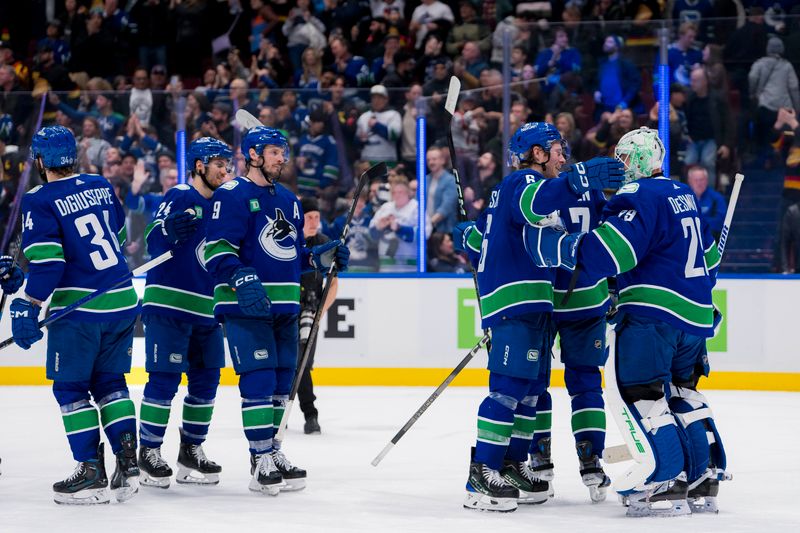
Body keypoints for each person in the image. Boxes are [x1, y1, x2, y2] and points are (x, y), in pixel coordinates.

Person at [527, 127, 728, 517]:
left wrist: (562, 247)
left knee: (642, 393)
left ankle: (663, 475)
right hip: (694, 317)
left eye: (622, 158)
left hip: (654, 315)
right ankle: (703, 473)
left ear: (636, 160)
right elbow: (708, 260)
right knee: (680, 393)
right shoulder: (680, 192)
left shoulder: (638, 195)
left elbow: (611, 253)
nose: (618, 167)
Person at [453, 122, 623, 512]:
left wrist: (467, 236)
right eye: (555, 149)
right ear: (536, 153)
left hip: (535, 302)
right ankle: (482, 474)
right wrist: (579, 180)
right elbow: (535, 204)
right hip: (515, 301)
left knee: (531, 390)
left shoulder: (514, 188)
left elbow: (485, 238)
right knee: (508, 388)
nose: (563, 155)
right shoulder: (521, 183)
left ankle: (511, 465)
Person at [203, 126, 350, 495]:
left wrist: (319, 256)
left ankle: (274, 449)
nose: (282, 158)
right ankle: (259, 458)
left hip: (284, 303)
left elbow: (290, 255)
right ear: (253, 154)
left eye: (283, 152)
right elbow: (214, 249)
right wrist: (239, 276)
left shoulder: (289, 199)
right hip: (246, 304)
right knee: (259, 379)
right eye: (274, 151)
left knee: (283, 382)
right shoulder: (232, 194)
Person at [12, 126, 140, 504]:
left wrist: (30, 303)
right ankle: (128, 464)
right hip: (121, 299)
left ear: (39, 161)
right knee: (111, 383)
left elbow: (49, 264)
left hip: (80, 308)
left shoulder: (40, 199)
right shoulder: (100, 184)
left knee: (70, 388)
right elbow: (116, 234)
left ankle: (90, 471)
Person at [136, 137, 232, 489]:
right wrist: (166, 230)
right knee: (164, 380)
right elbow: (151, 238)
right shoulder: (180, 195)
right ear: (198, 166)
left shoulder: (225, 205)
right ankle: (148, 450)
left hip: (207, 308)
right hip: (169, 305)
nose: (225, 169)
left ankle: (191, 449)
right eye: (217, 163)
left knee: (207, 381)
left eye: (227, 163)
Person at [297, 197, 339, 435]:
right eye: (309, 217)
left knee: (304, 363)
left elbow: (333, 284)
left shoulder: (324, 243)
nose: (314, 221)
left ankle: (307, 412)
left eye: (317, 217)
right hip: (288, 310)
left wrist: (321, 310)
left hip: (312, 310)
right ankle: (309, 413)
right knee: (293, 362)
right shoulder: (289, 242)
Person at [686, 165, 726, 239]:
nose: (699, 183)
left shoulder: (717, 198)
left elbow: (720, 222)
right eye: (696, 180)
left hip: (710, 240)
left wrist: (696, 222)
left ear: (707, 180)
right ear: (689, 181)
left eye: (701, 180)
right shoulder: (682, 198)